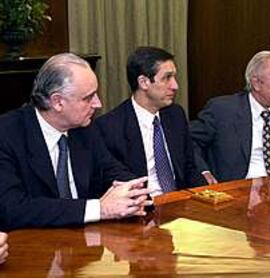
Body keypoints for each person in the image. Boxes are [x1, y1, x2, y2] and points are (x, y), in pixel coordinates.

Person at [0, 53, 152, 231]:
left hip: (87, 243)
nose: (98, 104)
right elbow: (12, 209)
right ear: (57, 102)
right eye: (88, 98)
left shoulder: (85, 129)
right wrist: (100, 209)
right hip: (33, 246)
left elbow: (113, 172)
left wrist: (132, 193)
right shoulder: (7, 134)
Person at [95, 47, 205, 197]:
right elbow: (118, 183)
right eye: (167, 78)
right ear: (144, 82)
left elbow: (189, 168)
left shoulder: (175, 115)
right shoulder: (109, 127)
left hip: (180, 202)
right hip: (142, 207)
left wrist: (206, 197)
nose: (175, 86)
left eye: (174, 77)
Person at [190, 50, 270, 183]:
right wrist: (204, 171)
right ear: (256, 83)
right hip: (238, 188)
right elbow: (189, 141)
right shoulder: (222, 110)